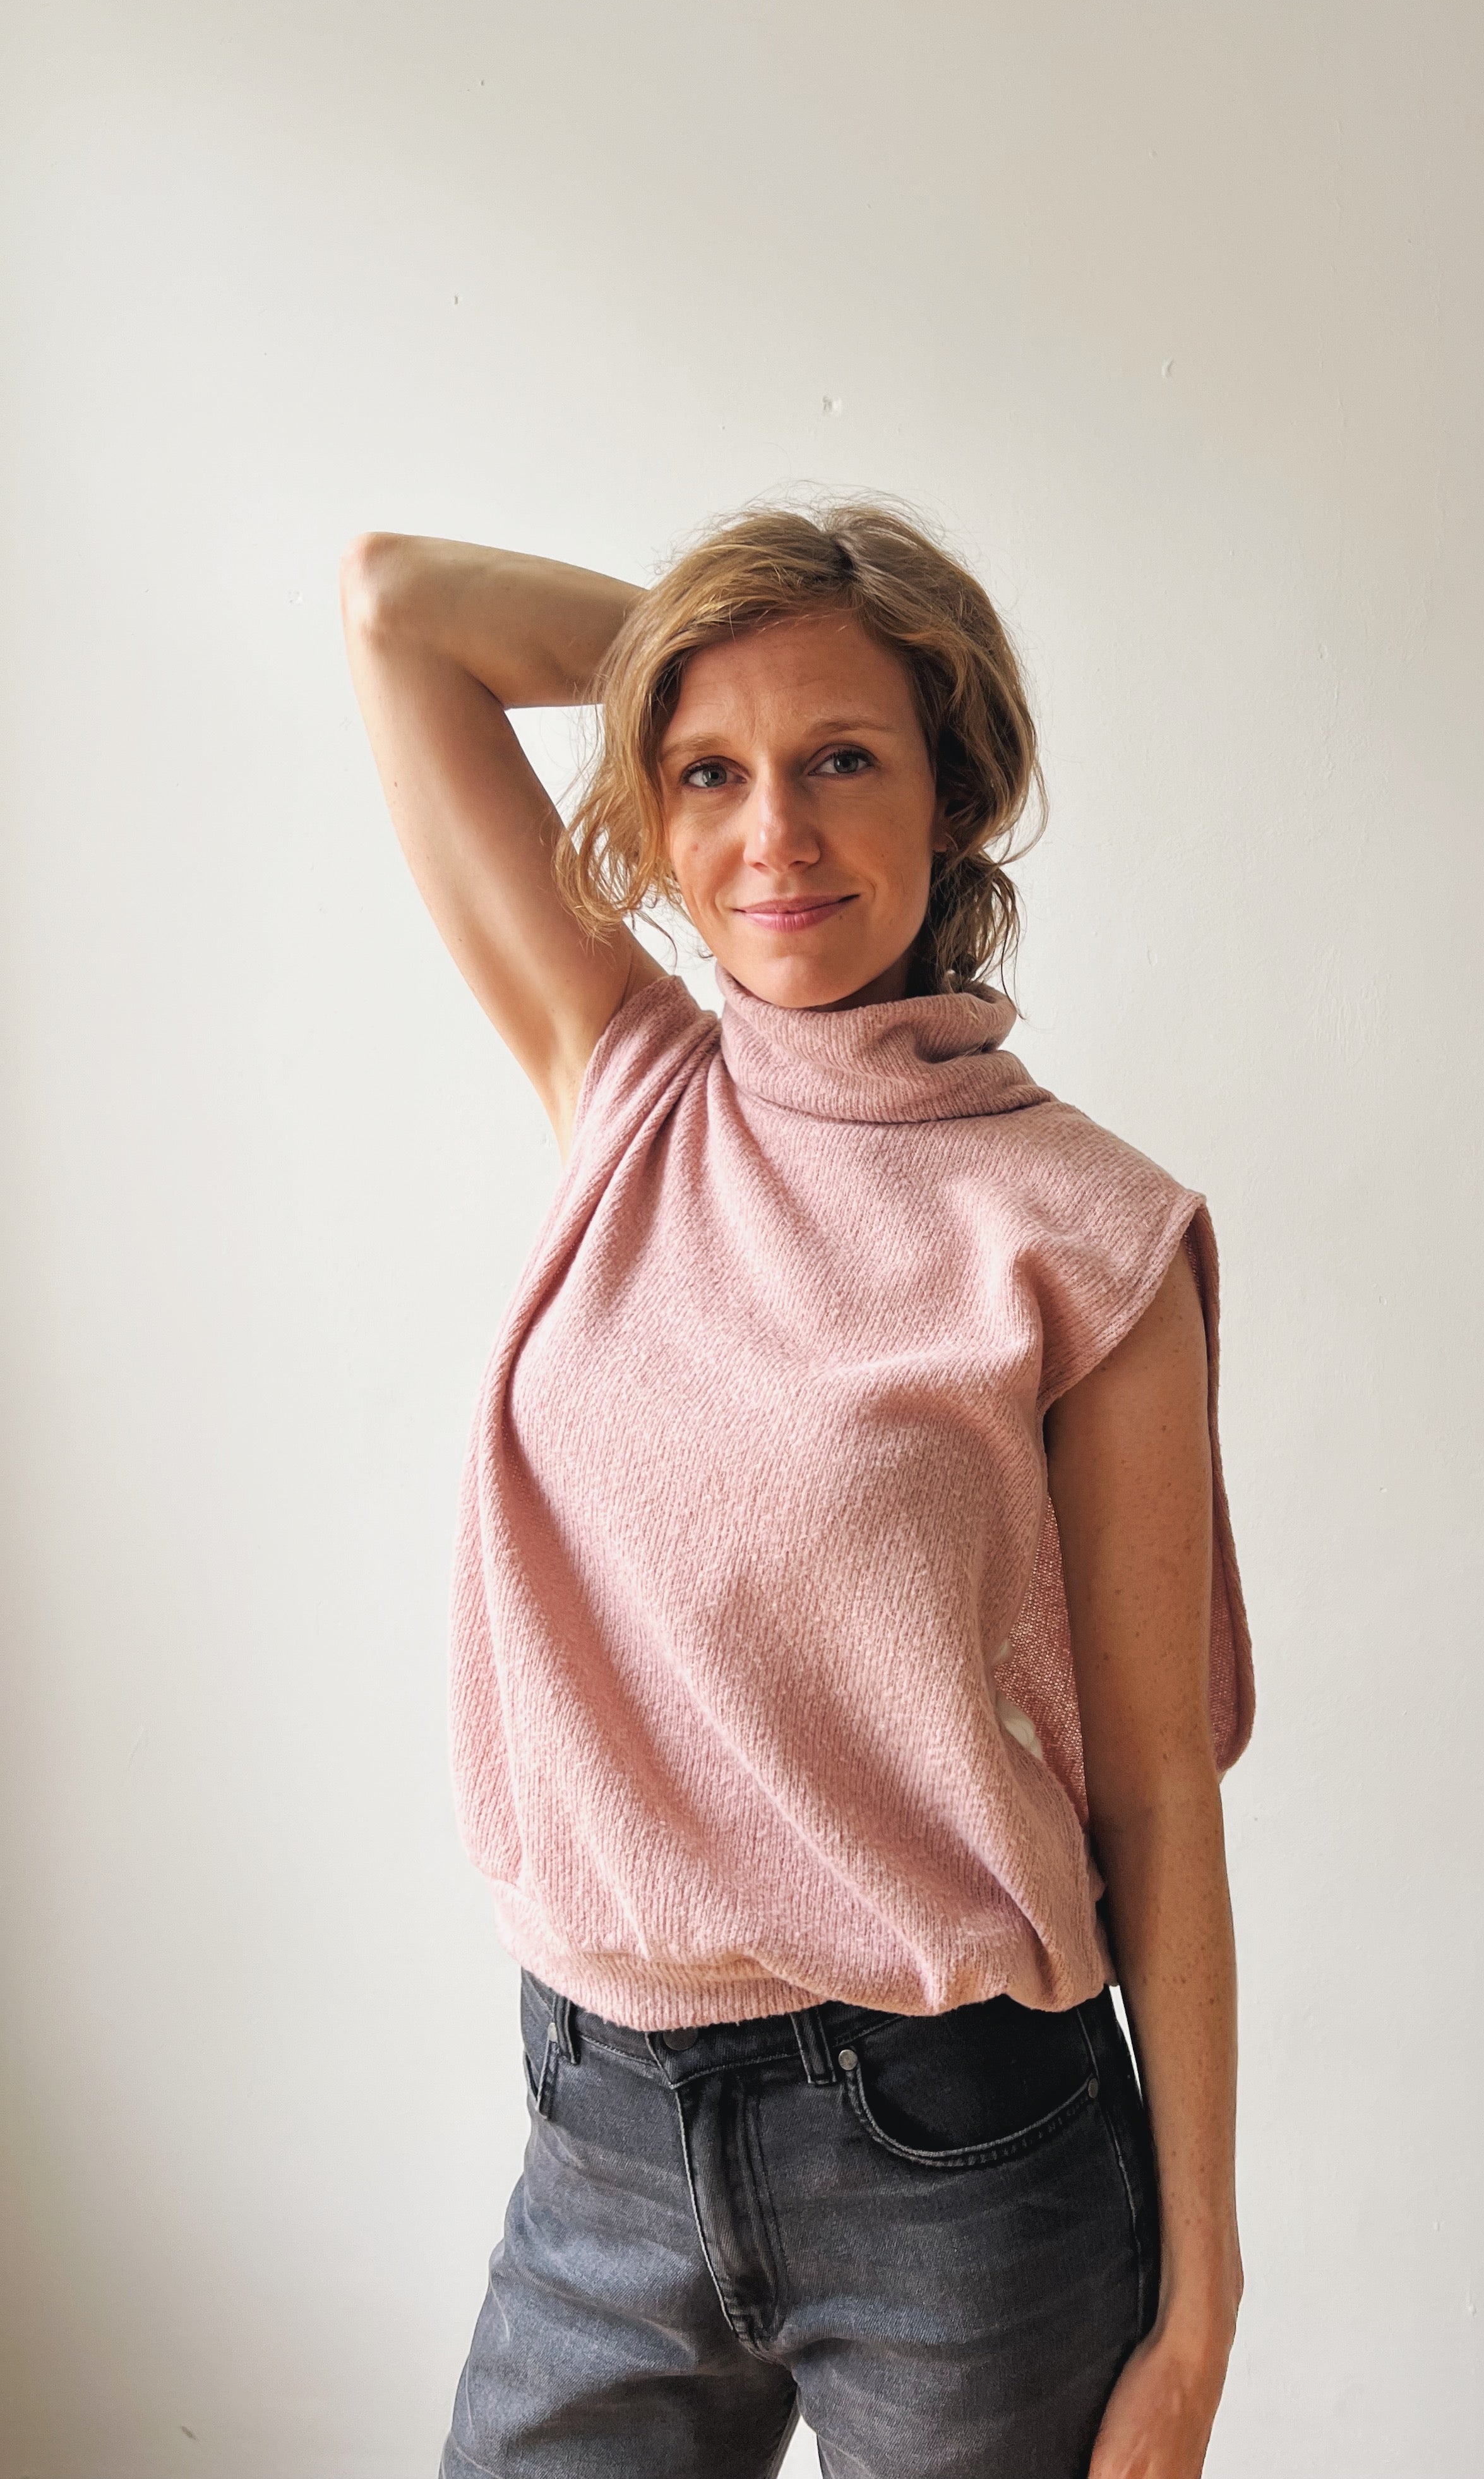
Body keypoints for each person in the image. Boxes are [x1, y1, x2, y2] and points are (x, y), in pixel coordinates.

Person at [340, 500, 1254, 2479]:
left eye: (844, 757)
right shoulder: (628, 1088)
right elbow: (400, 611)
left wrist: (1198, 2314)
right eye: (708, 772)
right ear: (652, 819)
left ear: (952, 792)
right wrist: (741, 644)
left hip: (958, 2155)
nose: (775, 832)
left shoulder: (1080, 1237)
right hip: (593, 2139)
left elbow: (1159, 1793)